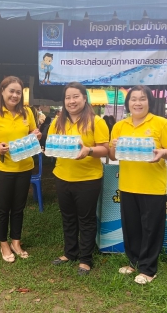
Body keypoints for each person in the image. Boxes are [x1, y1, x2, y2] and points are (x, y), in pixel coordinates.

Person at [108, 85, 167, 284]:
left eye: (142, 99)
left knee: (151, 228)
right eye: (133, 99)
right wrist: (112, 147)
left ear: (150, 102)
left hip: (152, 186)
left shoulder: (161, 123)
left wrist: (163, 153)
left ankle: (148, 269)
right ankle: (134, 262)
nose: (137, 103)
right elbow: (113, 156)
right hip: (127, 184)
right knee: (131, 226)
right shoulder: (120, 126)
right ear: (128, 102)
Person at [48, 82, 110, 276]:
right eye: (68, 97)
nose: (71, 101)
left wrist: (89, 150)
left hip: (88, 179)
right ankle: (70, 252)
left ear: (84, 98)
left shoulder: (96, 121)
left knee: (86, 219)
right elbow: (50, 144)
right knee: (68, 217)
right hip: (62, 176)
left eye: (76, 96)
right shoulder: (57, 122)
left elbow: (105, 149)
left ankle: (85, 259)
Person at [0, 76, 41, 263]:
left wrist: (36, 134)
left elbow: (33, 132)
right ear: (3, 92)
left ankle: (16, 241)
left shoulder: (27, 112)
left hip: (24, 166)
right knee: (3, 208)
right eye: (11, 91)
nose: (15, 95)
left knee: (19, 207)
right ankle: (3, 243)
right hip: (3, 168)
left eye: (18, 92)